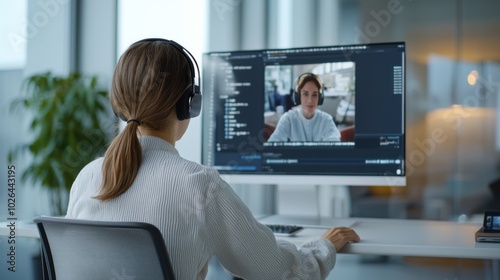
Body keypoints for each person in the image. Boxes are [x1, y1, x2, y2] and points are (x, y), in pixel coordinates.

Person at [65, 38, 360, 280]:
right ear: (189, 103)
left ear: (118, 105)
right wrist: (324, 246)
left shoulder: (87, 178)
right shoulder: (200, 185)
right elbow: (279, 271)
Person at [268, 73, 341, 142]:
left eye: (314, 95)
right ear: (298, 97)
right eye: (305, 94)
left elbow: (335, 146)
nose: (310, 100)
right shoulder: (288, 119)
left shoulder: (326, 120)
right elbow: (273, 144)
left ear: (320, 98)